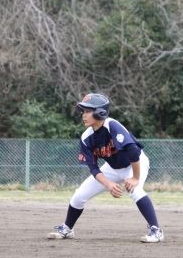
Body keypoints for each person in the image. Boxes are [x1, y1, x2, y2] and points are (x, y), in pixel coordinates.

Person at [47, 93, 164, 243]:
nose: (83, 115)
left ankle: (156, 231)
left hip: (134, 163)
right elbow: (93, 167)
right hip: (112, 167)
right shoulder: (86, 137)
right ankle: (67, 229)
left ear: (100, 112)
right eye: (83, 111)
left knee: (135, 190)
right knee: (79, 195)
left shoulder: (112, 125)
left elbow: (133, 150)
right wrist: (108, 184)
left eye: (88, 111)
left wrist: (135, 177)